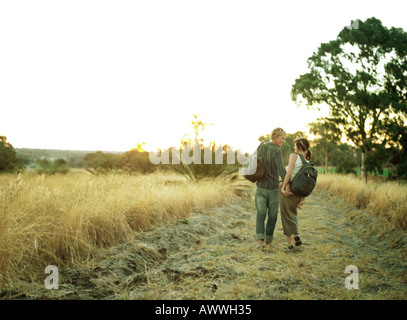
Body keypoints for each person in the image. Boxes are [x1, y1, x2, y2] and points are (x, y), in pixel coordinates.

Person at [255, 128, 287, 249]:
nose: (283, 141)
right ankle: (268, 242)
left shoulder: (261, 146)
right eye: (282, 138)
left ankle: (259, 241)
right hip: (273, 188)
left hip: (260, 186)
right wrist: (288, 183)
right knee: (272, 215)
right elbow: (281, 169)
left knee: (260, 212)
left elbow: (255, 164)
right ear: (275, 137)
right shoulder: (277, 150)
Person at [279, 137, 312, 250]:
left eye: (294, 145)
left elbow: (288, 174)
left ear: (298, 146)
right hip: (298, 192)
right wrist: (302, 200)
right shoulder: (307, 161)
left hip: (290, 189)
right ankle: (296, 234)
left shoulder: (294, 156)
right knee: (293, 213)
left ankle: (290, 245)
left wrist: (283, 188)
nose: (294, 147)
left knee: (285, 215)